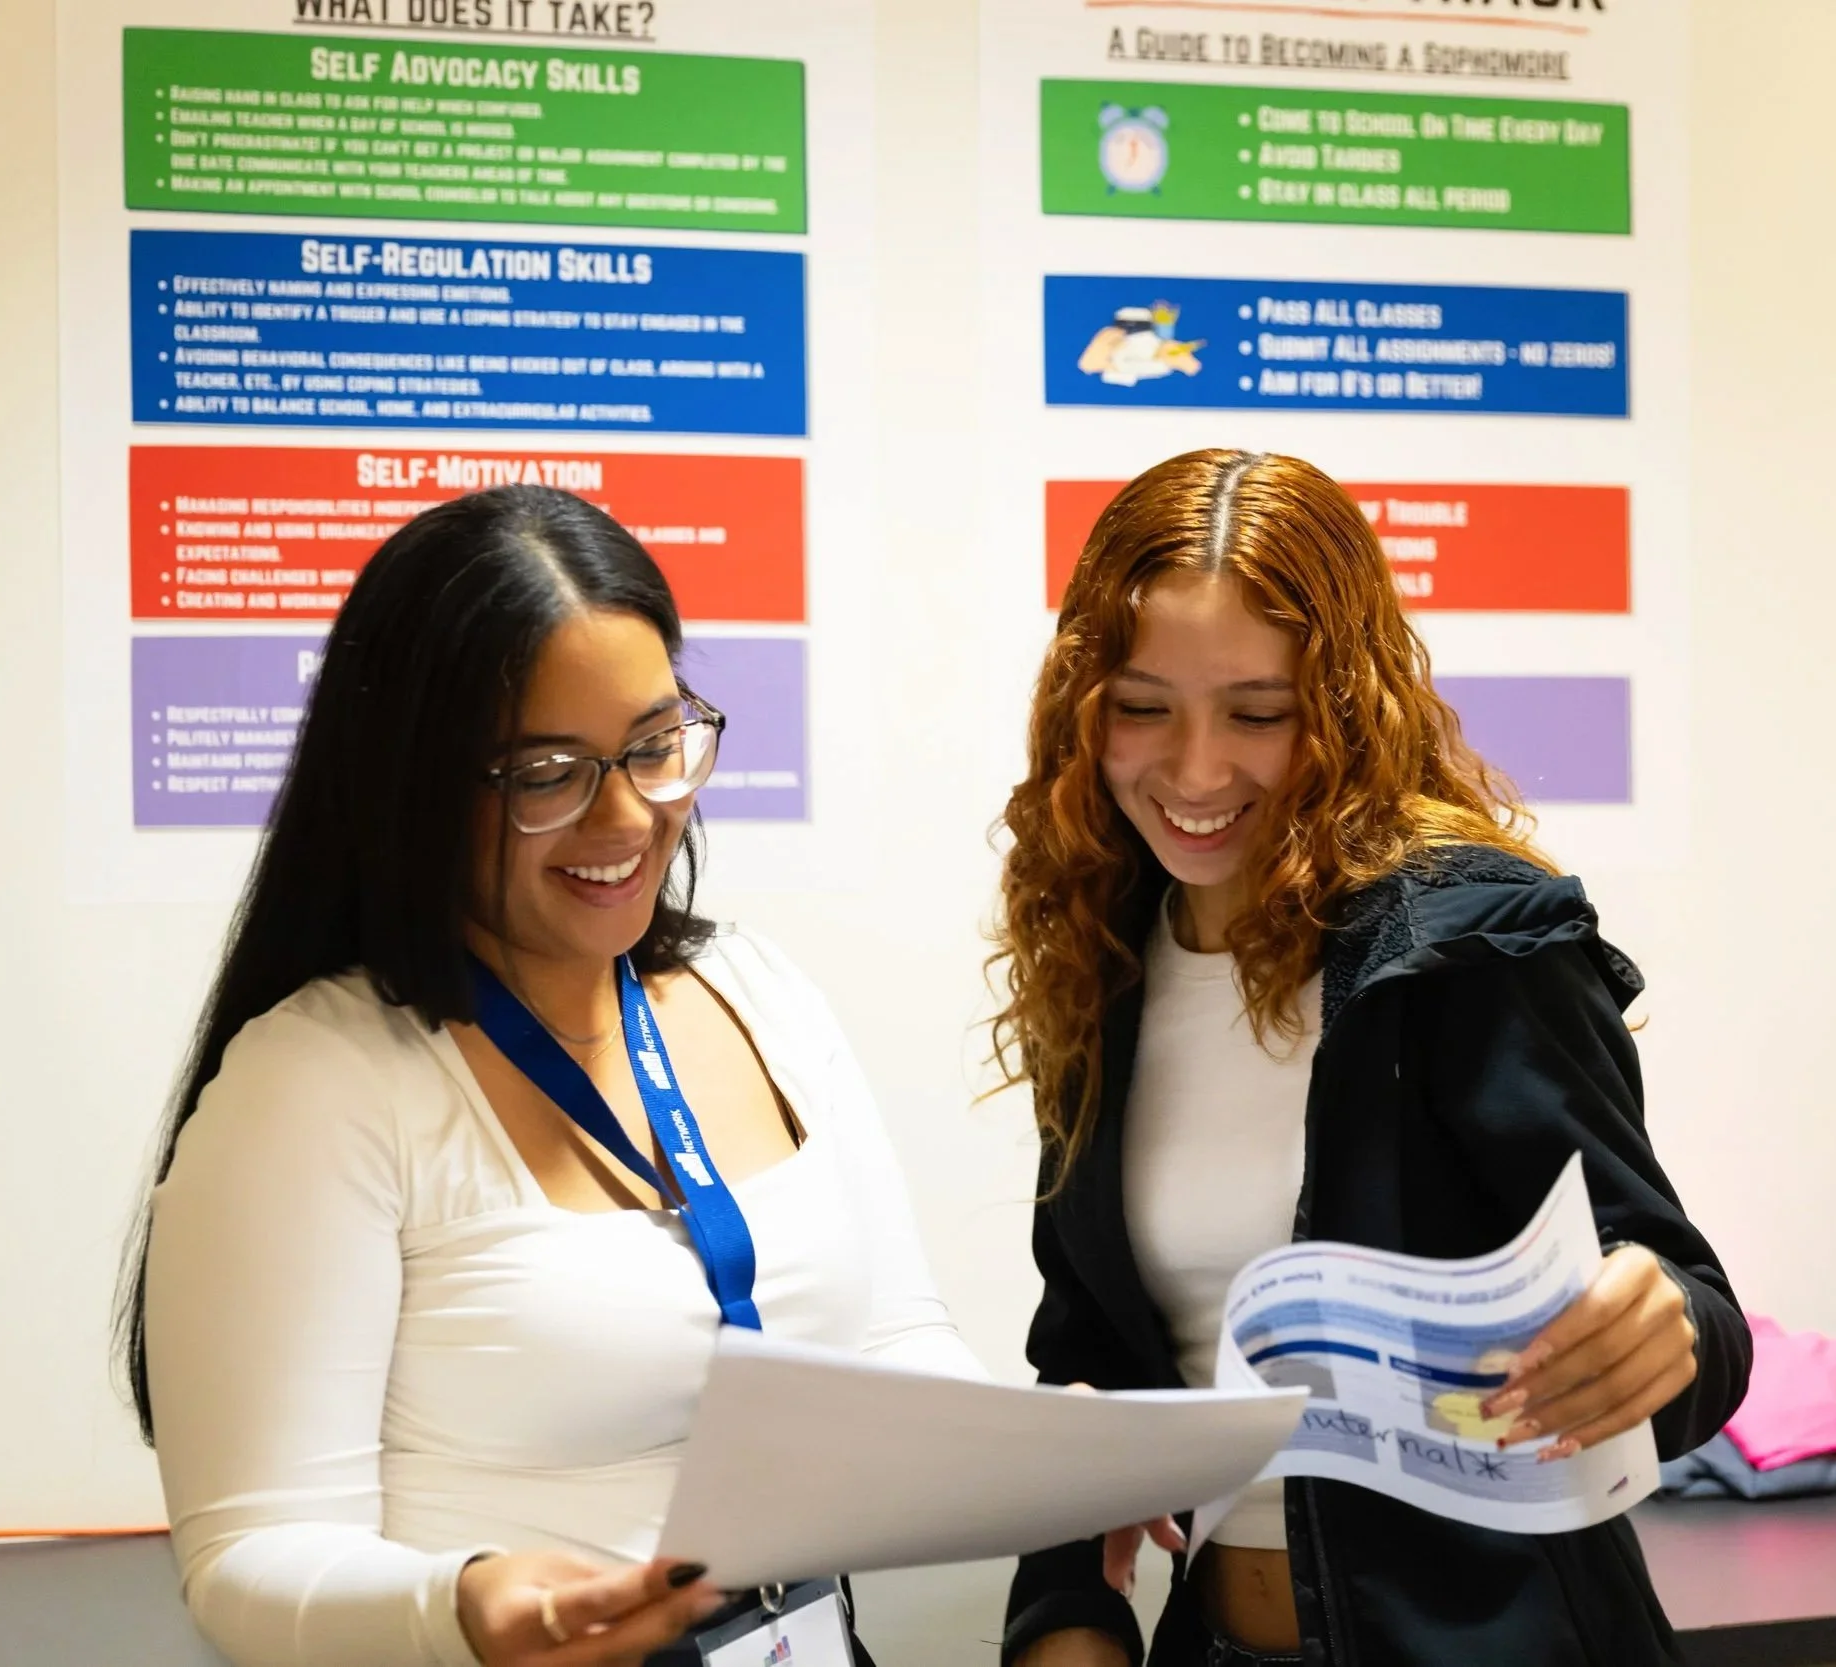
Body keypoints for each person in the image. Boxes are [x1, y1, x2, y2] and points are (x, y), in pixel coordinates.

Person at [117, 485, 979, 1667]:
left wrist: (1042, 1453)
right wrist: (460, 1605)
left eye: (653, 744)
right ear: (412, 781)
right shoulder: (317, 1085)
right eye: (545, 772)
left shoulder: (758, 991)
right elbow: (249, 1557)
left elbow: (894, 1342)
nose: (623, 813)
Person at [992, 451, 1752, 1667]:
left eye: (1256, 712)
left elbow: (1690, 1311)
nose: (1194, 771)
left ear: (1340, 702)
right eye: (1142, 706)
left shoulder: (1466, 940)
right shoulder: (1101, 963)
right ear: (1084, 704)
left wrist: (1664, 1328)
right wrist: (1061, 1620)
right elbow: (1085, 1357)